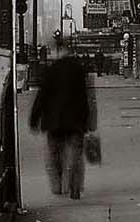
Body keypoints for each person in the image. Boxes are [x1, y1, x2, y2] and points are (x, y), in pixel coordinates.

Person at [29, 45, 96, 200]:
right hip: (76, 120)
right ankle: (74, 187)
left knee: (54, 154)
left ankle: (58, 185)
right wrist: (89, 120)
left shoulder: (50, 70)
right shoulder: (78, 70)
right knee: (76, 155)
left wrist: (34, 119)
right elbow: (86, 97)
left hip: (54, 121)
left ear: (57, 53)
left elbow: (42, 96)